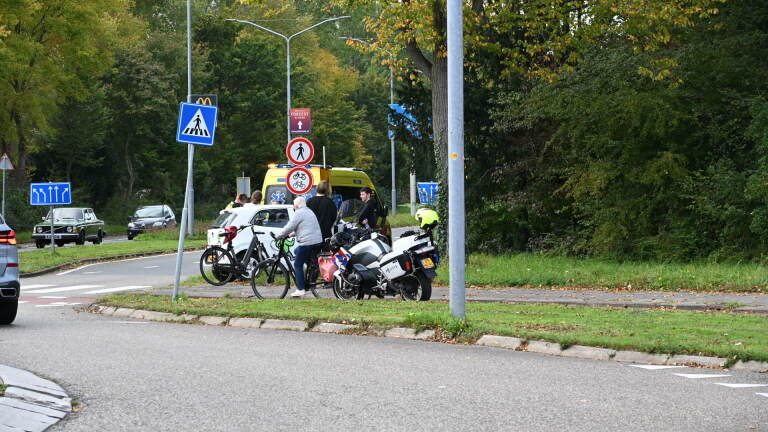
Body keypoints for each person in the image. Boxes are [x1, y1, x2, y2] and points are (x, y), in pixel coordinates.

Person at [275, 196, 323, 297]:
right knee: (297, 251)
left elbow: (290, 226)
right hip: (317, 241)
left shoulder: (299, 213)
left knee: (297, 264)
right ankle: (312, 269)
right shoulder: (309, 211)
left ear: (296, 205)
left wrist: (278, 236)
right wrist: (292, 234)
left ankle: (301, 289)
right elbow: (305, 227)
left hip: (307, 242)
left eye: (294, 205)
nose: (293, 207)